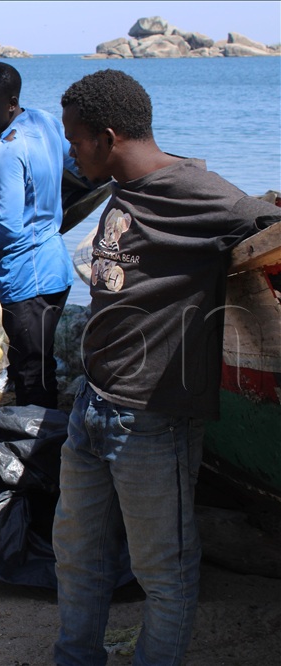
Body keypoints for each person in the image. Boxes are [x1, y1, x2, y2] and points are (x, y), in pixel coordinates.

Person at [52, 69, 280, 665]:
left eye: (76, 139)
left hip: (152, 419)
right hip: (93, 405)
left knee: (164, 570)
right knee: (77, 553)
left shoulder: (193, 189)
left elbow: (264, 227)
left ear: (107, 136)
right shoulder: (122, 187)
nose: (70, 151)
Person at [0, 63, 75, 409]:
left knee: (29, 377)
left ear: (11, 103)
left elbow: (6, 226)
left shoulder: (8, 150)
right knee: (40, 368)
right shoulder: (45, 122)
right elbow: (75, 164)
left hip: (27, 280)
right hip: (56, 270)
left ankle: (37, 454)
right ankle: (46, 446)